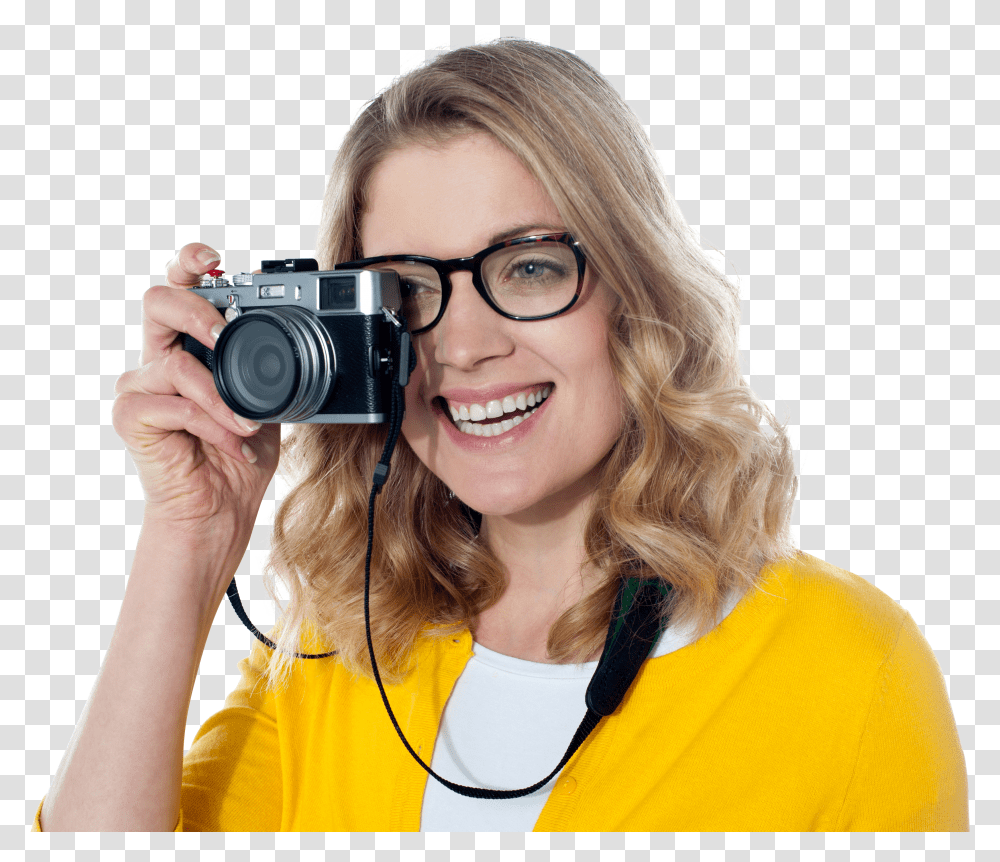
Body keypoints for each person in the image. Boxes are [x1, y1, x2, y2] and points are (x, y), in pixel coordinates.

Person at [36, 39, 967, 831]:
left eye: (526, 267)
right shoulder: (338, 651)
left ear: (635, 293)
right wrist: (187, 542)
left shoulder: (846, 668)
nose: (466, 346)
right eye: (407, 289)